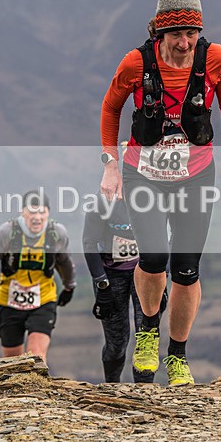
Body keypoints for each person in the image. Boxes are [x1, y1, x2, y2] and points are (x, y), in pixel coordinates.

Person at [99, 0, 221, 385]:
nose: (184, 43)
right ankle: (148, 329)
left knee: (186, 270)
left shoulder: (215, 58)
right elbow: (110, 107)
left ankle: (177, 354)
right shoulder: (135, 64)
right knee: (151, 258)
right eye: (176, 34)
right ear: (159, 34)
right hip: (143, 172)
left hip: (195, 176)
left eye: (192, 33)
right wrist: (110, 165)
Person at [83, 143, 169, 383]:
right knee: (117, 341)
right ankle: (112, 387)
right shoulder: (103, 203)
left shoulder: (155, 199)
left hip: (146, 275)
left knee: (146, 335)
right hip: (112, 275)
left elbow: (168, 239)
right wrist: (101, 285)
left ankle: (143, 392)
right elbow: (89, 244)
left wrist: (165, 275)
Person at [0, 189, 76, 367]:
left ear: (48, 213)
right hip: (10, 302)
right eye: (32, 211)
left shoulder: (56, 233)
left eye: (42, 212)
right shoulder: (7, 232)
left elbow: (64, 261)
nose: (37, 217)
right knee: (12, 362)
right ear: (23, 211)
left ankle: (39, 393)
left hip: (43, 299)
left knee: (36, 355)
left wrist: (69, 286)